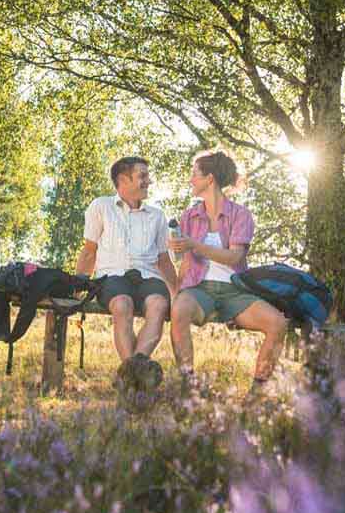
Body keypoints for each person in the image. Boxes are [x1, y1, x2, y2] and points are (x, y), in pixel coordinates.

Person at [169, 150, 288, 392]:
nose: (191, 179)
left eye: (195, 174)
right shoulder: (189, 216)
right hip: (200, 290)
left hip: (235, 291)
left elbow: (235, 256)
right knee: (179, 310)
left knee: (278, 323)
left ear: (209, 179)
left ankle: (256, 395)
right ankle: (189, 388)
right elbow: (184, 262)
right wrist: (176, 290)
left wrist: (194, 245)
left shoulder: (240, 215)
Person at [75, 156, 179, 384]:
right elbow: (90, 251)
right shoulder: (101, 206)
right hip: (112, 276)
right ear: (123, 179)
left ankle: (130, 374)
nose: (148, 181)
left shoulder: (157, 216)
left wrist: (177, 293)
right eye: (142, 176)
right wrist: (76, 285)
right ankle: (138, 375)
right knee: (122, 305)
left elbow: (163, 260)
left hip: (148, 276)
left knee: (159, 305)